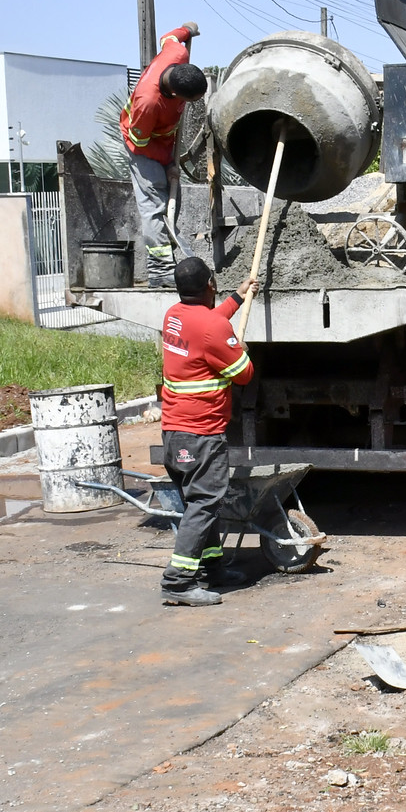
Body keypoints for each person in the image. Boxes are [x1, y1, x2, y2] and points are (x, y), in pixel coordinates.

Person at [158, 256, 256, 606]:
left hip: (174, 430)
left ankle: (210, 568)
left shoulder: (173, 315)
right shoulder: (213, 328)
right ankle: (178, 582)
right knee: (203, 503)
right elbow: (243, 374)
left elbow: (207, 324)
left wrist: (238, 297)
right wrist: (241, 351)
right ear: (210, 284)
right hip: (201, 434)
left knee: (201, 503)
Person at [122, 23, 207, 288]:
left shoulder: (177, 55)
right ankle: (159, 270)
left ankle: (168, 259)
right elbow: (139, 144)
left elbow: (168, 37)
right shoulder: (148, 102)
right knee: (155, 204)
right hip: (141, 143)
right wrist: (167, 164)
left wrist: (186, 30)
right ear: (176, 94)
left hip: (163, 139)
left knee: (172, 200)